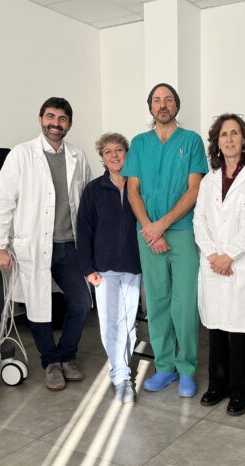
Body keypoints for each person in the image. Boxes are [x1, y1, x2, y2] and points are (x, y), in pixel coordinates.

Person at [0, 97, 93, 391]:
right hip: (34, 245)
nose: (55, 124)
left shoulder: (78, 156)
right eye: (50, 117)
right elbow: (3, 202)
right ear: (40, 119)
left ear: (69, 124)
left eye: (62, 119)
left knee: (82, 302)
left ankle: (67, 356)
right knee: (38, 305)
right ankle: (51, 362)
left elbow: (87, 201)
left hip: (69, 245)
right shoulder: (21, 155)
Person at [122, 83, 208, 398]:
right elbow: (132, 190)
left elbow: (195, 190)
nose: (162, 104)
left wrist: (162, 225)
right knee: (157, 302)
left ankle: (186, 369)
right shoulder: (139, 143)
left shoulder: (191, 141)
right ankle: (165, 367)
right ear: (150, 107)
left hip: (182, 231)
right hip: (147, 233)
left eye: (168, 99)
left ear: (176, 106)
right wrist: (150, 228)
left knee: (184, 304)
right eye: (157, 100)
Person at [193, 114, 245, 416]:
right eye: (223, 134)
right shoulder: (208, 180)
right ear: (217, 142)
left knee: (239, 331)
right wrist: (214, 255)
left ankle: (242, 390)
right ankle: (218, 385)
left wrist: (229, 255)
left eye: (235, 133)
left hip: (242, 262)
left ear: (244, 140)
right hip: (214, 263)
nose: (229, 139)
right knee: (215, 328)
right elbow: (199, 220)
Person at [76, 132, 140, 403]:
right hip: (104, 268)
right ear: (102, 158)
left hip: (134, 265)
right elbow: (84, 231)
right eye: (107, 152)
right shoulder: (93, 190)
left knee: (128, 323)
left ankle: (121, 368)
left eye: (119, 150)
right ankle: (121, 375)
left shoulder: (138, 185)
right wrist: (87, 268)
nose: (114, 155)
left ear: (127, 153)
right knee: (111, 322)